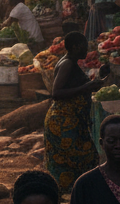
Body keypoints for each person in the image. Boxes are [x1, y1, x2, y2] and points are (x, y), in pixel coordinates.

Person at [44, 31, 109, 193]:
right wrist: (85, 87)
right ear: (75, 47)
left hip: (71, 121)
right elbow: (56, 93)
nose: (87, 49)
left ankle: (75, 196)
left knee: (82, 159)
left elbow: (80, 87)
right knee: (84, 158)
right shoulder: (66, 64)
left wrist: (100, 77)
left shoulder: (71, 63)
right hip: (63, 122)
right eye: (84, 45)